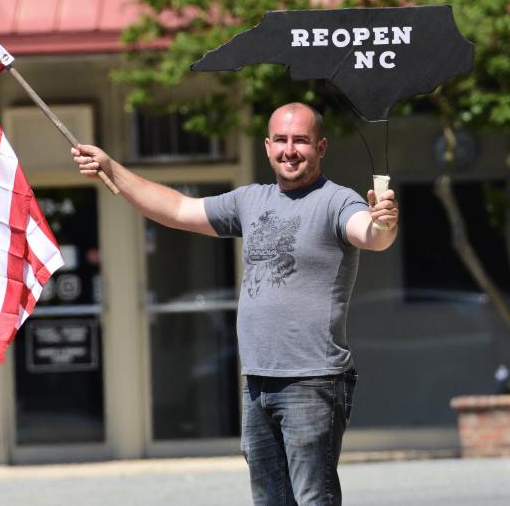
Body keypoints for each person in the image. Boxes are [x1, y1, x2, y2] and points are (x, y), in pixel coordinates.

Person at [72, 103, 399, 506]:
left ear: (321, 146)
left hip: (313, 380)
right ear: (266, 146)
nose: (290, 150)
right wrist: (112, 168)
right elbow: (176, 208)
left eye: (301, 140)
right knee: (269, 500)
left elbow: (370, 235)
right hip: (257, 380)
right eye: (281, 140)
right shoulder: (250, 201)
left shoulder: (336, 201)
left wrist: (383, 221)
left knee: (314, 498)